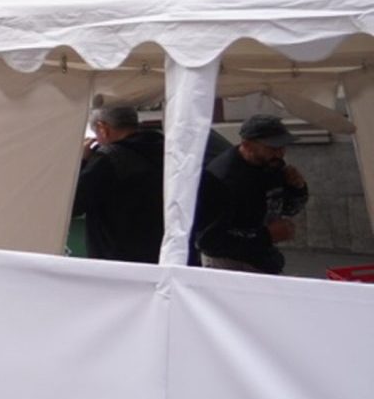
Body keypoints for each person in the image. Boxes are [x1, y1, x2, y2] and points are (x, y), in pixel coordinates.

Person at [194, 113, 308, 273]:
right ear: (247, 145)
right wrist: (267, 235)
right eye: (273, 148)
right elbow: (209, 240)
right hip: (229, 263)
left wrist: (297, 188)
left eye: (283, 147)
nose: (280, 153)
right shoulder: (223, 178)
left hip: (262, 257)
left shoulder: (272, 166)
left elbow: (287, 208)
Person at [72, 105, 166, 262]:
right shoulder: (163, 148)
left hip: (116, 255)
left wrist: (82, 161)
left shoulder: (107, 159)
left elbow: (75, 205)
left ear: (103, 129)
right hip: (160, 249)